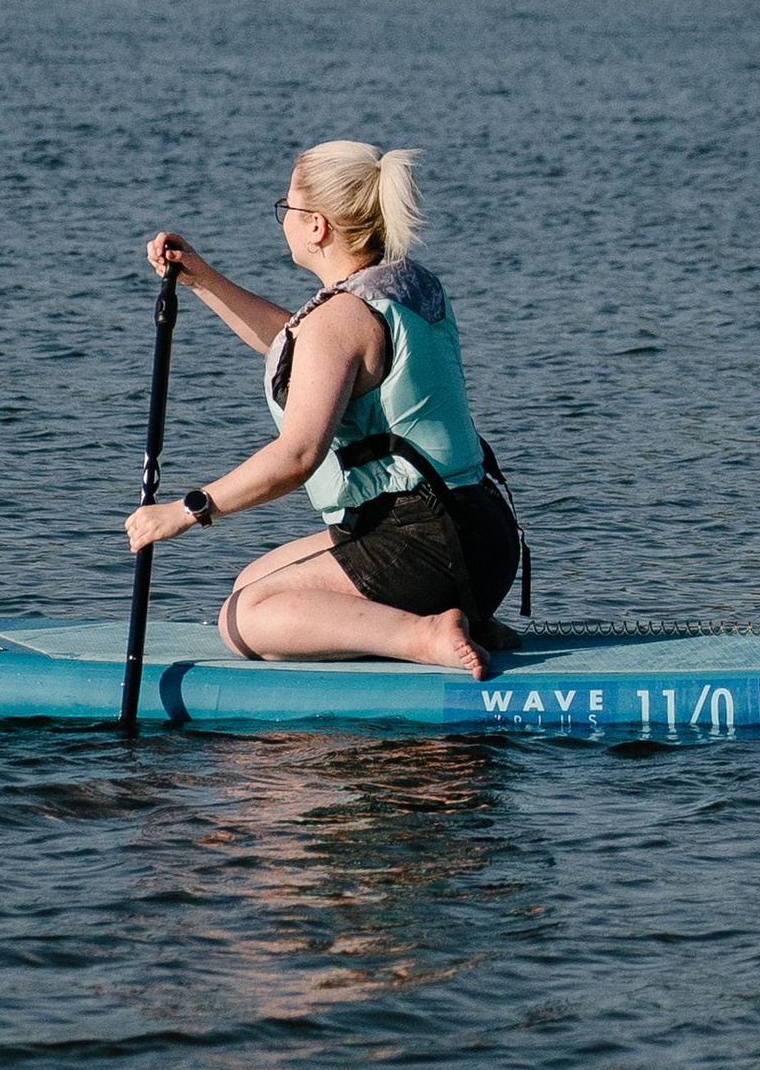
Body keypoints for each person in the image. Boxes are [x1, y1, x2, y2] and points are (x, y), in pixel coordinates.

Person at [124, 141, 520, 674]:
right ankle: (464, 616)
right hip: (482, 531)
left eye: (287, 207)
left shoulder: (342, 318)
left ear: (317, 226)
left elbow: (298, 457)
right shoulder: (405, 285)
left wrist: (186, 511)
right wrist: (202, 280)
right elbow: (298, 345)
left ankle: (424, 634)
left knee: (244, 618)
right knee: (251, 585)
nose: (282, 218)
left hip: (429, 544)